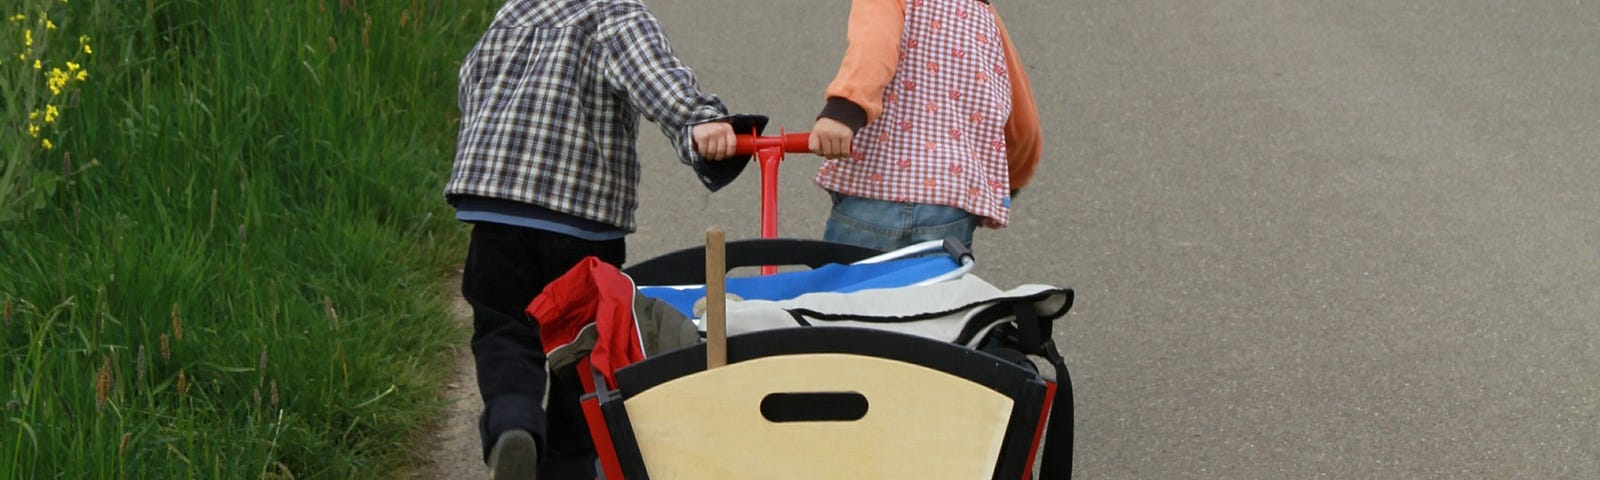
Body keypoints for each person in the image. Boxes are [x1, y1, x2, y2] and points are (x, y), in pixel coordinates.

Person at [444, 0, 764, 478]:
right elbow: (657, 80)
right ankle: (570, 462)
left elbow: (472, 80)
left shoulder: (513, 11)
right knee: (582, 341)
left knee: (504, 329)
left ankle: (515, 421)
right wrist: (703, 123)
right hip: (579, 215)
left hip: (496, 211)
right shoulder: (617, 14)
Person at [809, 0, 1042, 253]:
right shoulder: (983, 13)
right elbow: (1021, 118)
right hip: (950, 201)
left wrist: (845, 110)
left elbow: (874, 46)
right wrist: (1013, 175)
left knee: (851, 288)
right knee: (934, 291)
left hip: (877, 191)